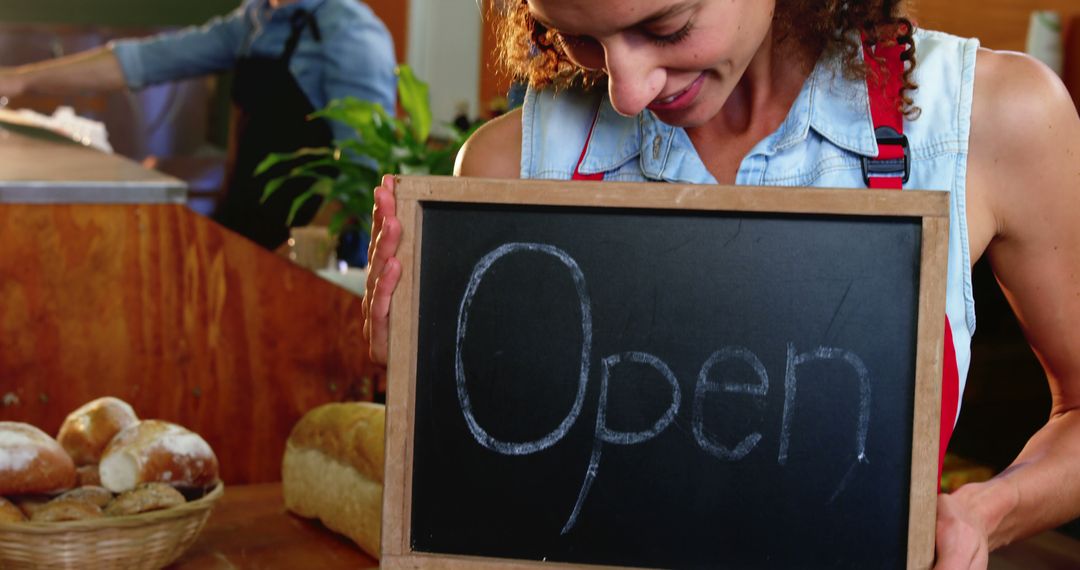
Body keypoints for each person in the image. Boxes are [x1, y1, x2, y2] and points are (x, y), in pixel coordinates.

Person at [364, 0, 1080, 568]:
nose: (628, 90)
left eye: (665, 26)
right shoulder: (502, 167)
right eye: (579, 38)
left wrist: (984, 513)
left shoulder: (995, 120)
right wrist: (429, 383)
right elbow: (498, 497)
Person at [0, 0, 397, 250]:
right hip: (241, 232)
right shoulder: (253, 21)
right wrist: (19, 80)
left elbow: (363, 176)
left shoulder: (350, 31)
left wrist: (303, 254)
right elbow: (144, 60)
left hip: (303, 250)